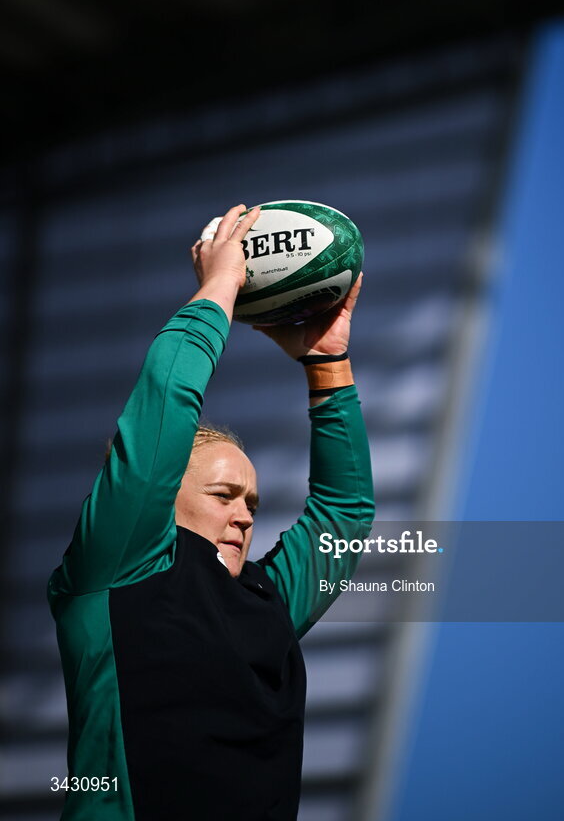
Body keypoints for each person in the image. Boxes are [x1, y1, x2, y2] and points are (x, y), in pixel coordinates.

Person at [48, 203, 374, 821]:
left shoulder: (267, 601)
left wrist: (327, 361)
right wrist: (221, 286)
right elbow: (166, 403)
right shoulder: (120, 565)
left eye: (251, 502)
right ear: (159, 500)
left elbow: (344, 512)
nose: (246, 516)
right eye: (223, 496)